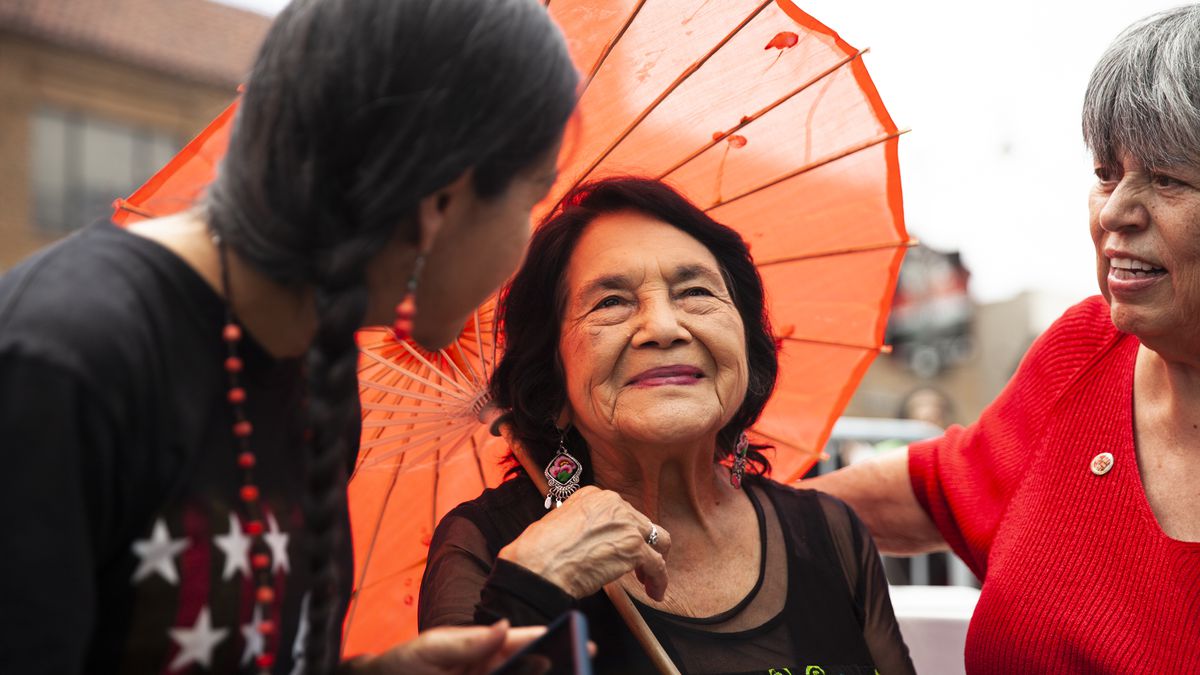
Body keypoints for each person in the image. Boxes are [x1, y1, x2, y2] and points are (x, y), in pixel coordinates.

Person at [0, 0, 577, 672]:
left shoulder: (312, 364)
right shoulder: (63, 365)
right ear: (440, 202)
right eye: (534, 196)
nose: (529, 238)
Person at [806, 6, 1200, 673]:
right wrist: (729, 523)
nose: (1114, 212)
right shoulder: (1085, 349)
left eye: (1165, 178)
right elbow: (936, 487)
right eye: (1106, 172)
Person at [418, 177, 914, 675]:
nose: (662, 328)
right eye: (611, 302)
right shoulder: (489, 547)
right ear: (553, 377)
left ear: (746, 348)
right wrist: (538, 583)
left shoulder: (830, 532)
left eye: (695, 291)